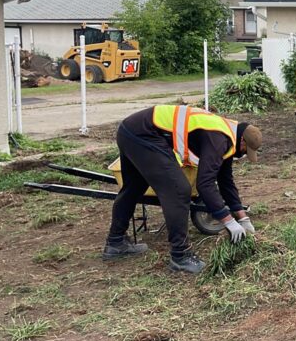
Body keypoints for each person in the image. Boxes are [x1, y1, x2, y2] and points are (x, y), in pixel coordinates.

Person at [101, 105, 263, 274]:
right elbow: (205, 184)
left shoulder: (227, 133)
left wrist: (242, 217)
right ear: (242, 141)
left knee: (134, 187)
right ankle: (180, 256)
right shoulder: (219, 138)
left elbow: (225, 180)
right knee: (179, 190)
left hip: (131, 130)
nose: (243, 155)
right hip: (144, 134)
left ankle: (115, 243)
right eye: (246, 151)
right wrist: (228, 221)